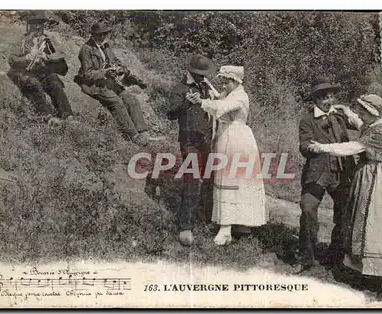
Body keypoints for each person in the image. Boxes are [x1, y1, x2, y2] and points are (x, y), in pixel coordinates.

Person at [308, 94, 382, 298]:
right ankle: (375, 271)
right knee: (367, 223)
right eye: (361, 111)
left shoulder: (378, 132)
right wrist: (346, 110)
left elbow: (353, 147)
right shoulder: (372, 125)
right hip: (369, 175)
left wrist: (322, 147)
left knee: (375, 222)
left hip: (376, 179)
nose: (361, 115)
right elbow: (357, 122)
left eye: (364, 111)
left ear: (373, 113)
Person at [187, 65, 267, 245]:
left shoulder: (240, 96)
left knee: (232, 180)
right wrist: (208, 87)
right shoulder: (232, 93)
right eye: (222, 81)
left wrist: (201, 102)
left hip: (236, 140)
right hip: (229, 137)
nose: (223, 84)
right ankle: (236, 225)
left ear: (235, 81)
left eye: (226, 81)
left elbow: (222, 107)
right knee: (232, 179)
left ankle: (227, 228)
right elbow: (219, 98)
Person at [297, 77, 357, 272]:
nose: (328, 101)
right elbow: (304, 146)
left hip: (341, 172)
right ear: (315, 99)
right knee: (308, 207)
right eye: (323, 98)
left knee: (345, 212)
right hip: (317, 172)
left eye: (331, 97)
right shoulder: (307, 120)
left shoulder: (339, 117)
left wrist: (349, 113)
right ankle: (307, 256)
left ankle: (336, 255)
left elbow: (364, 126)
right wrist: (313, 147)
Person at [75, 22, 157, 146]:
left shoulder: (106, 46)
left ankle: (143, 131)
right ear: (93, 35)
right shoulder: (86, 50)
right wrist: (105, 72)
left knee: (131, 99)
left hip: (108, 81)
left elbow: (115, 61)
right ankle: (133, 135)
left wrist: (120, 68)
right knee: (117, 102)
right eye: (99, 35)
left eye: (104, 34)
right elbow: (88, 74)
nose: (102, 37)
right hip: (94, 84)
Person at [167, 54, 217, 246]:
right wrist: (187, 102)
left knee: (208, 179)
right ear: (191, 72)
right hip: (189, 141)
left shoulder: (206, 86)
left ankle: (202, 219)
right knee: (192, 180)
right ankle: (185, 226)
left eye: (203, 75)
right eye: (198, 74)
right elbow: (170, 113)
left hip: (205, 139)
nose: (201, 77)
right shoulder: (179, 88)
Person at [7, 11, 73, 126]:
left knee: (55, 82)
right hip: (25, 73)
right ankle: (48, 117)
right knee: (34, 84)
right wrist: (26, 58)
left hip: (42, 72)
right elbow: (11, 60)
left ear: (44, 25)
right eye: (34, 24)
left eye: (40, 24)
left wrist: (48, 57)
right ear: (29, 25)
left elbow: (62, 65)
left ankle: (68, 116)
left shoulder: (47, 41)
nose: (37, 27)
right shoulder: (22, 40)